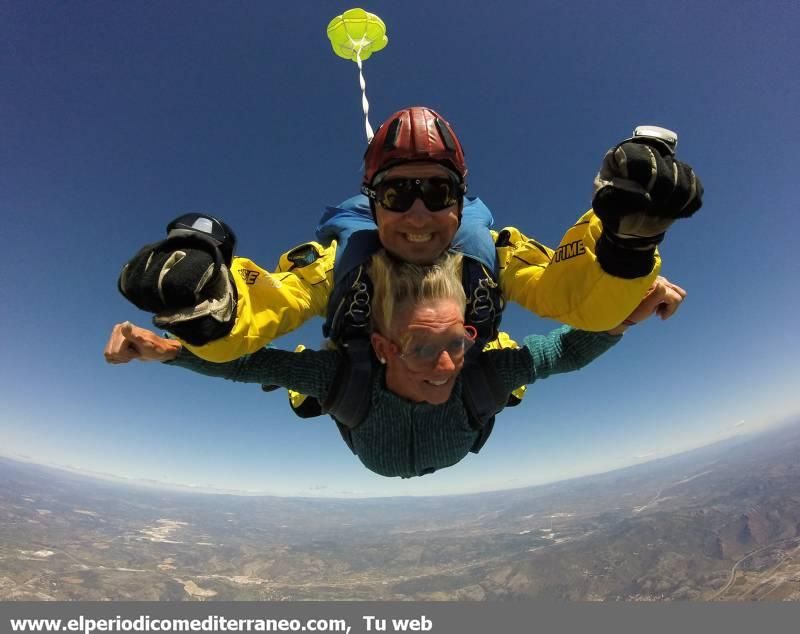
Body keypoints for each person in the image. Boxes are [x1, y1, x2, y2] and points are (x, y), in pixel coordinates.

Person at [117, 108, 703, 371]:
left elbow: (570, 298)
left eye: (438, 193)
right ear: (372, 205)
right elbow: (266, 309)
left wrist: (625, 251)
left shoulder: (493, 249)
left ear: (461, 198)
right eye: (398, 196)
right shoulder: (338, 264)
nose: (419, 215)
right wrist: (206, 313)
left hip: (463, 392)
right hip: (365, 398)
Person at [106, 250, 687, 479]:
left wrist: (629, 314)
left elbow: (565, 351)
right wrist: (163, 352)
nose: (444, 364)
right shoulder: (342, 377)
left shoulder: (485, 369)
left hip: (381, 442)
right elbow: (242, 364)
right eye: (419, 347)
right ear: (383, 348)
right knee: (300, 381)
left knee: (508, 370)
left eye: (457, 342)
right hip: (381, 417)